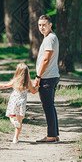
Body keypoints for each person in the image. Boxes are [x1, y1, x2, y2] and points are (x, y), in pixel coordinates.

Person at [0, 63, 39, 143]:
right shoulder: (28, 82)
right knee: (20, 120)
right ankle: (15, 138)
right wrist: (37, 87)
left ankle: (14, 122)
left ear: (17, 71)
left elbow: (5, 86)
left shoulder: (15, 80)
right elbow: (33, 91)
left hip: (14, 100)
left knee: (11, 115)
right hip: (22, 102)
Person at [34, 15, 60, 143]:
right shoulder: (50, 37)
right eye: (39, 25)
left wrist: (38, 76)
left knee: (48, 106)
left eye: (44, 25)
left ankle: (51, 135)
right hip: (51, 76)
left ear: (50, 25)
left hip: (47, 77)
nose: (41, 27)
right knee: (50, 106)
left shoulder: (50, 39)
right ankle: (54, 134)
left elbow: (46, 59)